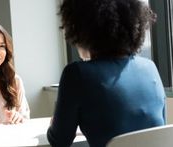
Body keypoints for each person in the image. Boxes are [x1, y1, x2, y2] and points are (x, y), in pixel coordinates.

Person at [47, 0, 166, 147]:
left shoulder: (77, 74)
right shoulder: (150, 68)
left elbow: (59, 141)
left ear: (80, 27)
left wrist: (55, 124)